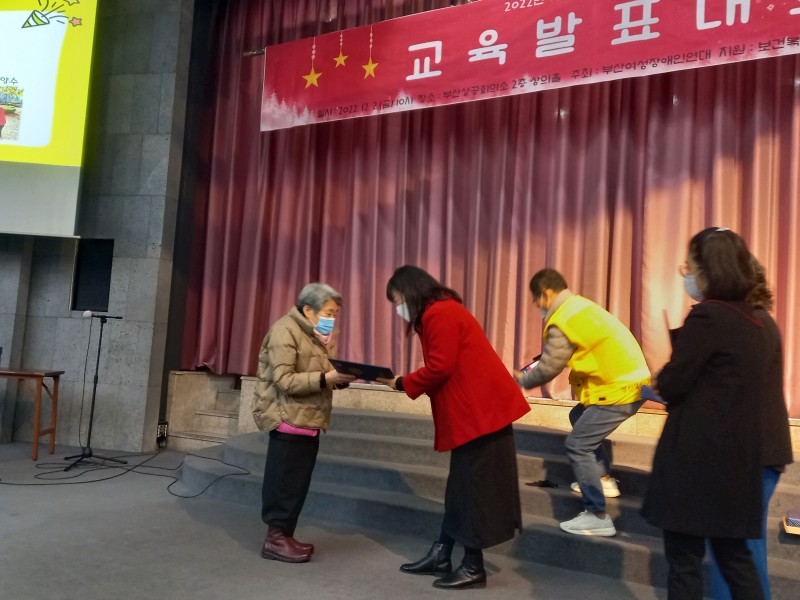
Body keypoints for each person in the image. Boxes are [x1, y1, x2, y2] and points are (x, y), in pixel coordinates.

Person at [641, 227, 785, 600]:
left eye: (689, 266)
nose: (686, 274)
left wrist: (663, 378)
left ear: (709, 269)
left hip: (696, 460)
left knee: (684, 562)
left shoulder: (708, 316)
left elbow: (674, 383)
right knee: (736, 559)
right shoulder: (757, 321)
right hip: (737, 460)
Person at [377, 265, 530, 590]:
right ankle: (442, 553)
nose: (398, 308)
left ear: (411, 291)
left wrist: (402, 382)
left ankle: (473, 566)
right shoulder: (439, 311)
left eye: (398, 300)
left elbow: (440, 367)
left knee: (472, 490)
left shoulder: (439, 313)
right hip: (477, 413)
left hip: (480, 414)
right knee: (461, 488)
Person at [515, 268, 650, 537]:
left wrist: (522, 379)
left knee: (578, 444)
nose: (537, 306)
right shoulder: (580, 308)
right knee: (578, 417)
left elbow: (549, 368)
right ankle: (602, 478)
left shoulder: (562, 320)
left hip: (617, 389)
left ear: (545, 294)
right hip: (630, 383)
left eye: (536, 300)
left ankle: (597, 515)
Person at [707, 257, 793, 600]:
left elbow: (733, 390)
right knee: (742, 547)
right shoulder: (757, 320)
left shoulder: (750, 324)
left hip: (751, 453)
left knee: (735, 550)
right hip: (757, 451)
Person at [252, 282, 355, 563]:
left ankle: (284, 536)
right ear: (308, 309)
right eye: (328, 313)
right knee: (284, 481)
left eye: (335, 314)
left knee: (296, 483)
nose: (332, 319)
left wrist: (339, 379)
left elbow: (320, 373)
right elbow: (284, 381)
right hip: (288, 417)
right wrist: (326, 378)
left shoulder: (317, 334)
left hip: (309, 418)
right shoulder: (285, 330)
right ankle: (275, 540)